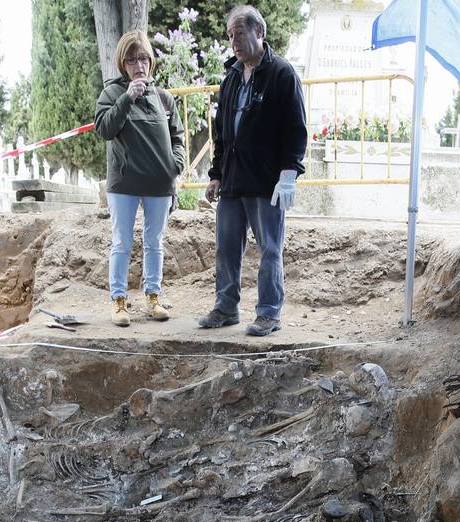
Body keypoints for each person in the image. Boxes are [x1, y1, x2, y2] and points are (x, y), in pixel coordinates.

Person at [199, 5, 307, 337]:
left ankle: (269, 313)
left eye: (239, 34)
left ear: (259, 32)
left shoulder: (281, 74)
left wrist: (289, 173)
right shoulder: (231, 77)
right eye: (230, 35)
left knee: (270, 249)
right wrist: (216, 173)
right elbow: (221, 133)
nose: (234, 42)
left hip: (265, 181)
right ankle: (226, 307)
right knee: (227, 247)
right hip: (232, 180)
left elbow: (295, 128)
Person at [94, 31, 185, 327]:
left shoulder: (163, 98)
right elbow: (105, 129)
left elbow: (177, 137)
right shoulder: (111, 94)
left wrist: (176, 165)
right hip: (124, 184)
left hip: (159, 183)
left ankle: (153, 296)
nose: (139, 65)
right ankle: (118, 301)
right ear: (123, 63)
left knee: (154, 242)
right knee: (122, 241)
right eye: (132, 60)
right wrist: (127, 97)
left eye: (144, 58)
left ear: (151, 61)